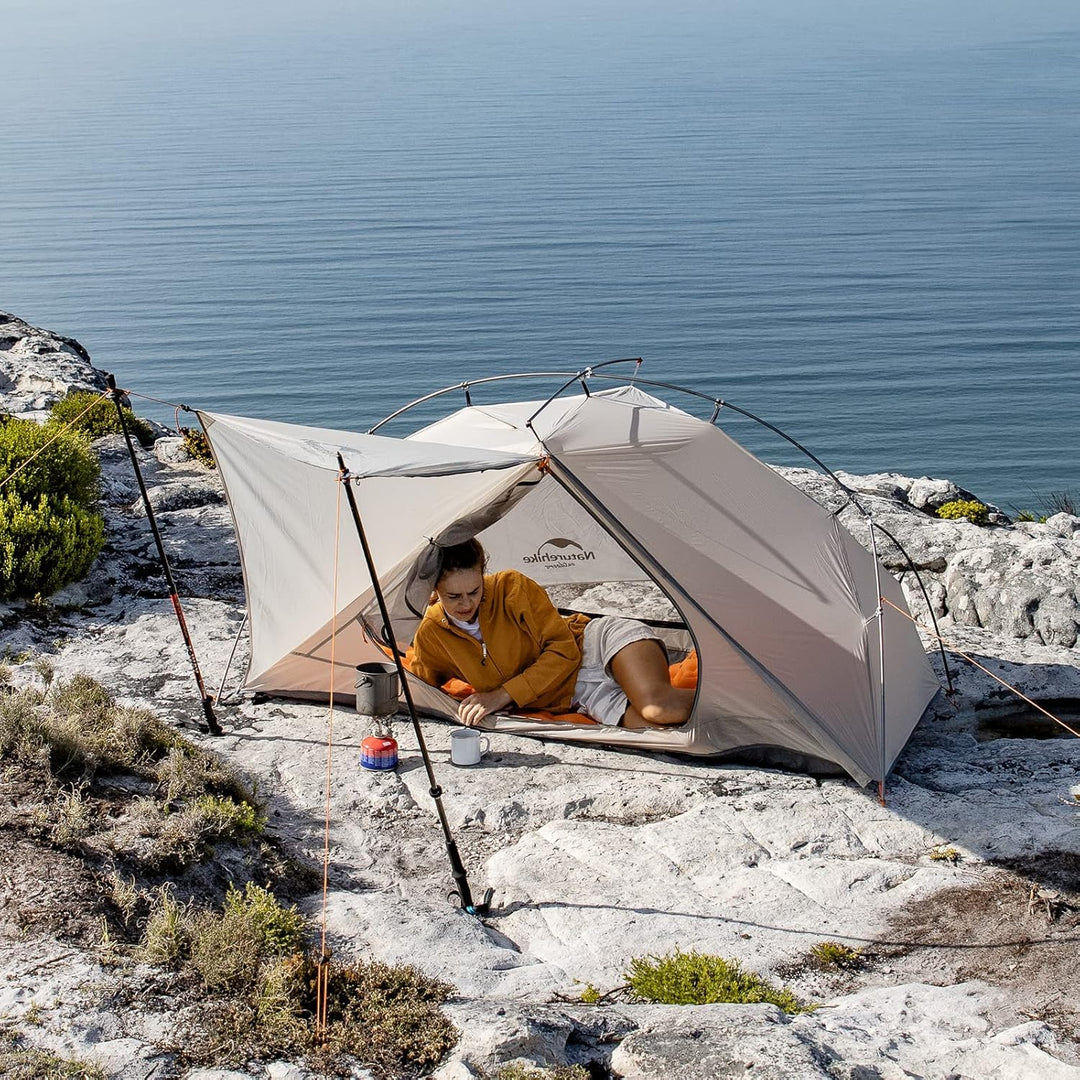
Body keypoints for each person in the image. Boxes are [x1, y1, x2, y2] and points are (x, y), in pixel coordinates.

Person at [407, 539, 694, 729]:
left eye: (474, 590)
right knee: (662, 730)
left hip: (595, 646)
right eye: (454, 596)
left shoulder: (511, 588)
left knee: (660, 709)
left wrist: (500, 696)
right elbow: (418, 682)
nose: (467, 604)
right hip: (582, 696)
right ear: (435, 591)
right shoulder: (433, 634)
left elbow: (565, 650)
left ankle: (734, 700)